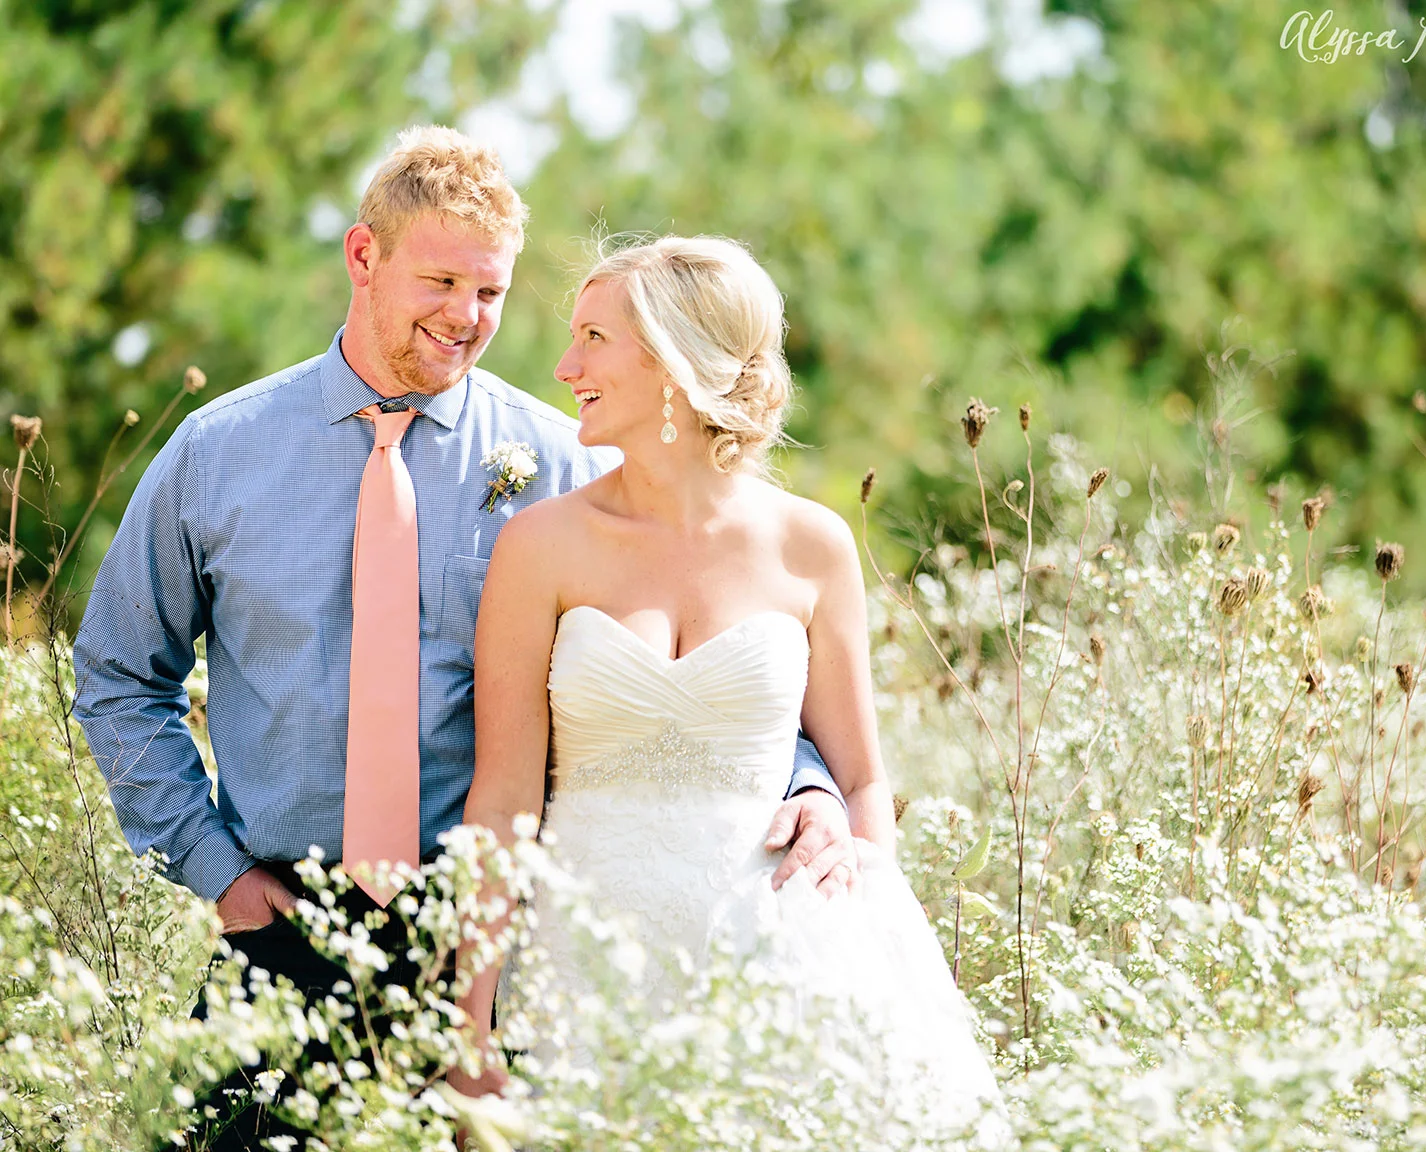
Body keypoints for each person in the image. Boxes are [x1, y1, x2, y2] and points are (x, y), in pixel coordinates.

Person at [70, 127, 854, 1152]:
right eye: (441, 280)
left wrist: (809, 783)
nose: (467, 318)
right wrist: (216, 869)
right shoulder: (216, 455)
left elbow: (695, 669)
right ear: (363, 257)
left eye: (490, 293)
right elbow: (122, 675)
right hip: (281, 923)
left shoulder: (571, 465)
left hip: (510, 936)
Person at [449, 235, 1001, 1137]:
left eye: (593, 339)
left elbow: (862, 778)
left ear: (672, 361)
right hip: (586, 964)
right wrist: (469, 1031)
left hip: (778, 956)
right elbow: (504, 797)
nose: (564, 365)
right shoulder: (539, 546)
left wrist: (860, 942)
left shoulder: (811, 546)